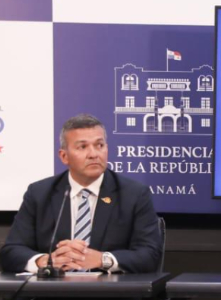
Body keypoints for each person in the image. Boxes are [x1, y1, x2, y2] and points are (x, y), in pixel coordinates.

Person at [1, 114, 162, 275]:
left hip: (110, 289)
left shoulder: (134, 194)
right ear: (64, 156)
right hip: (52, 289)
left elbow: (150, 255)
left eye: (99, 145)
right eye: (82, 147)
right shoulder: (39, 193)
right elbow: (11, 251)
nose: (93, 154)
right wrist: (44, 261)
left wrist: (103, 259)